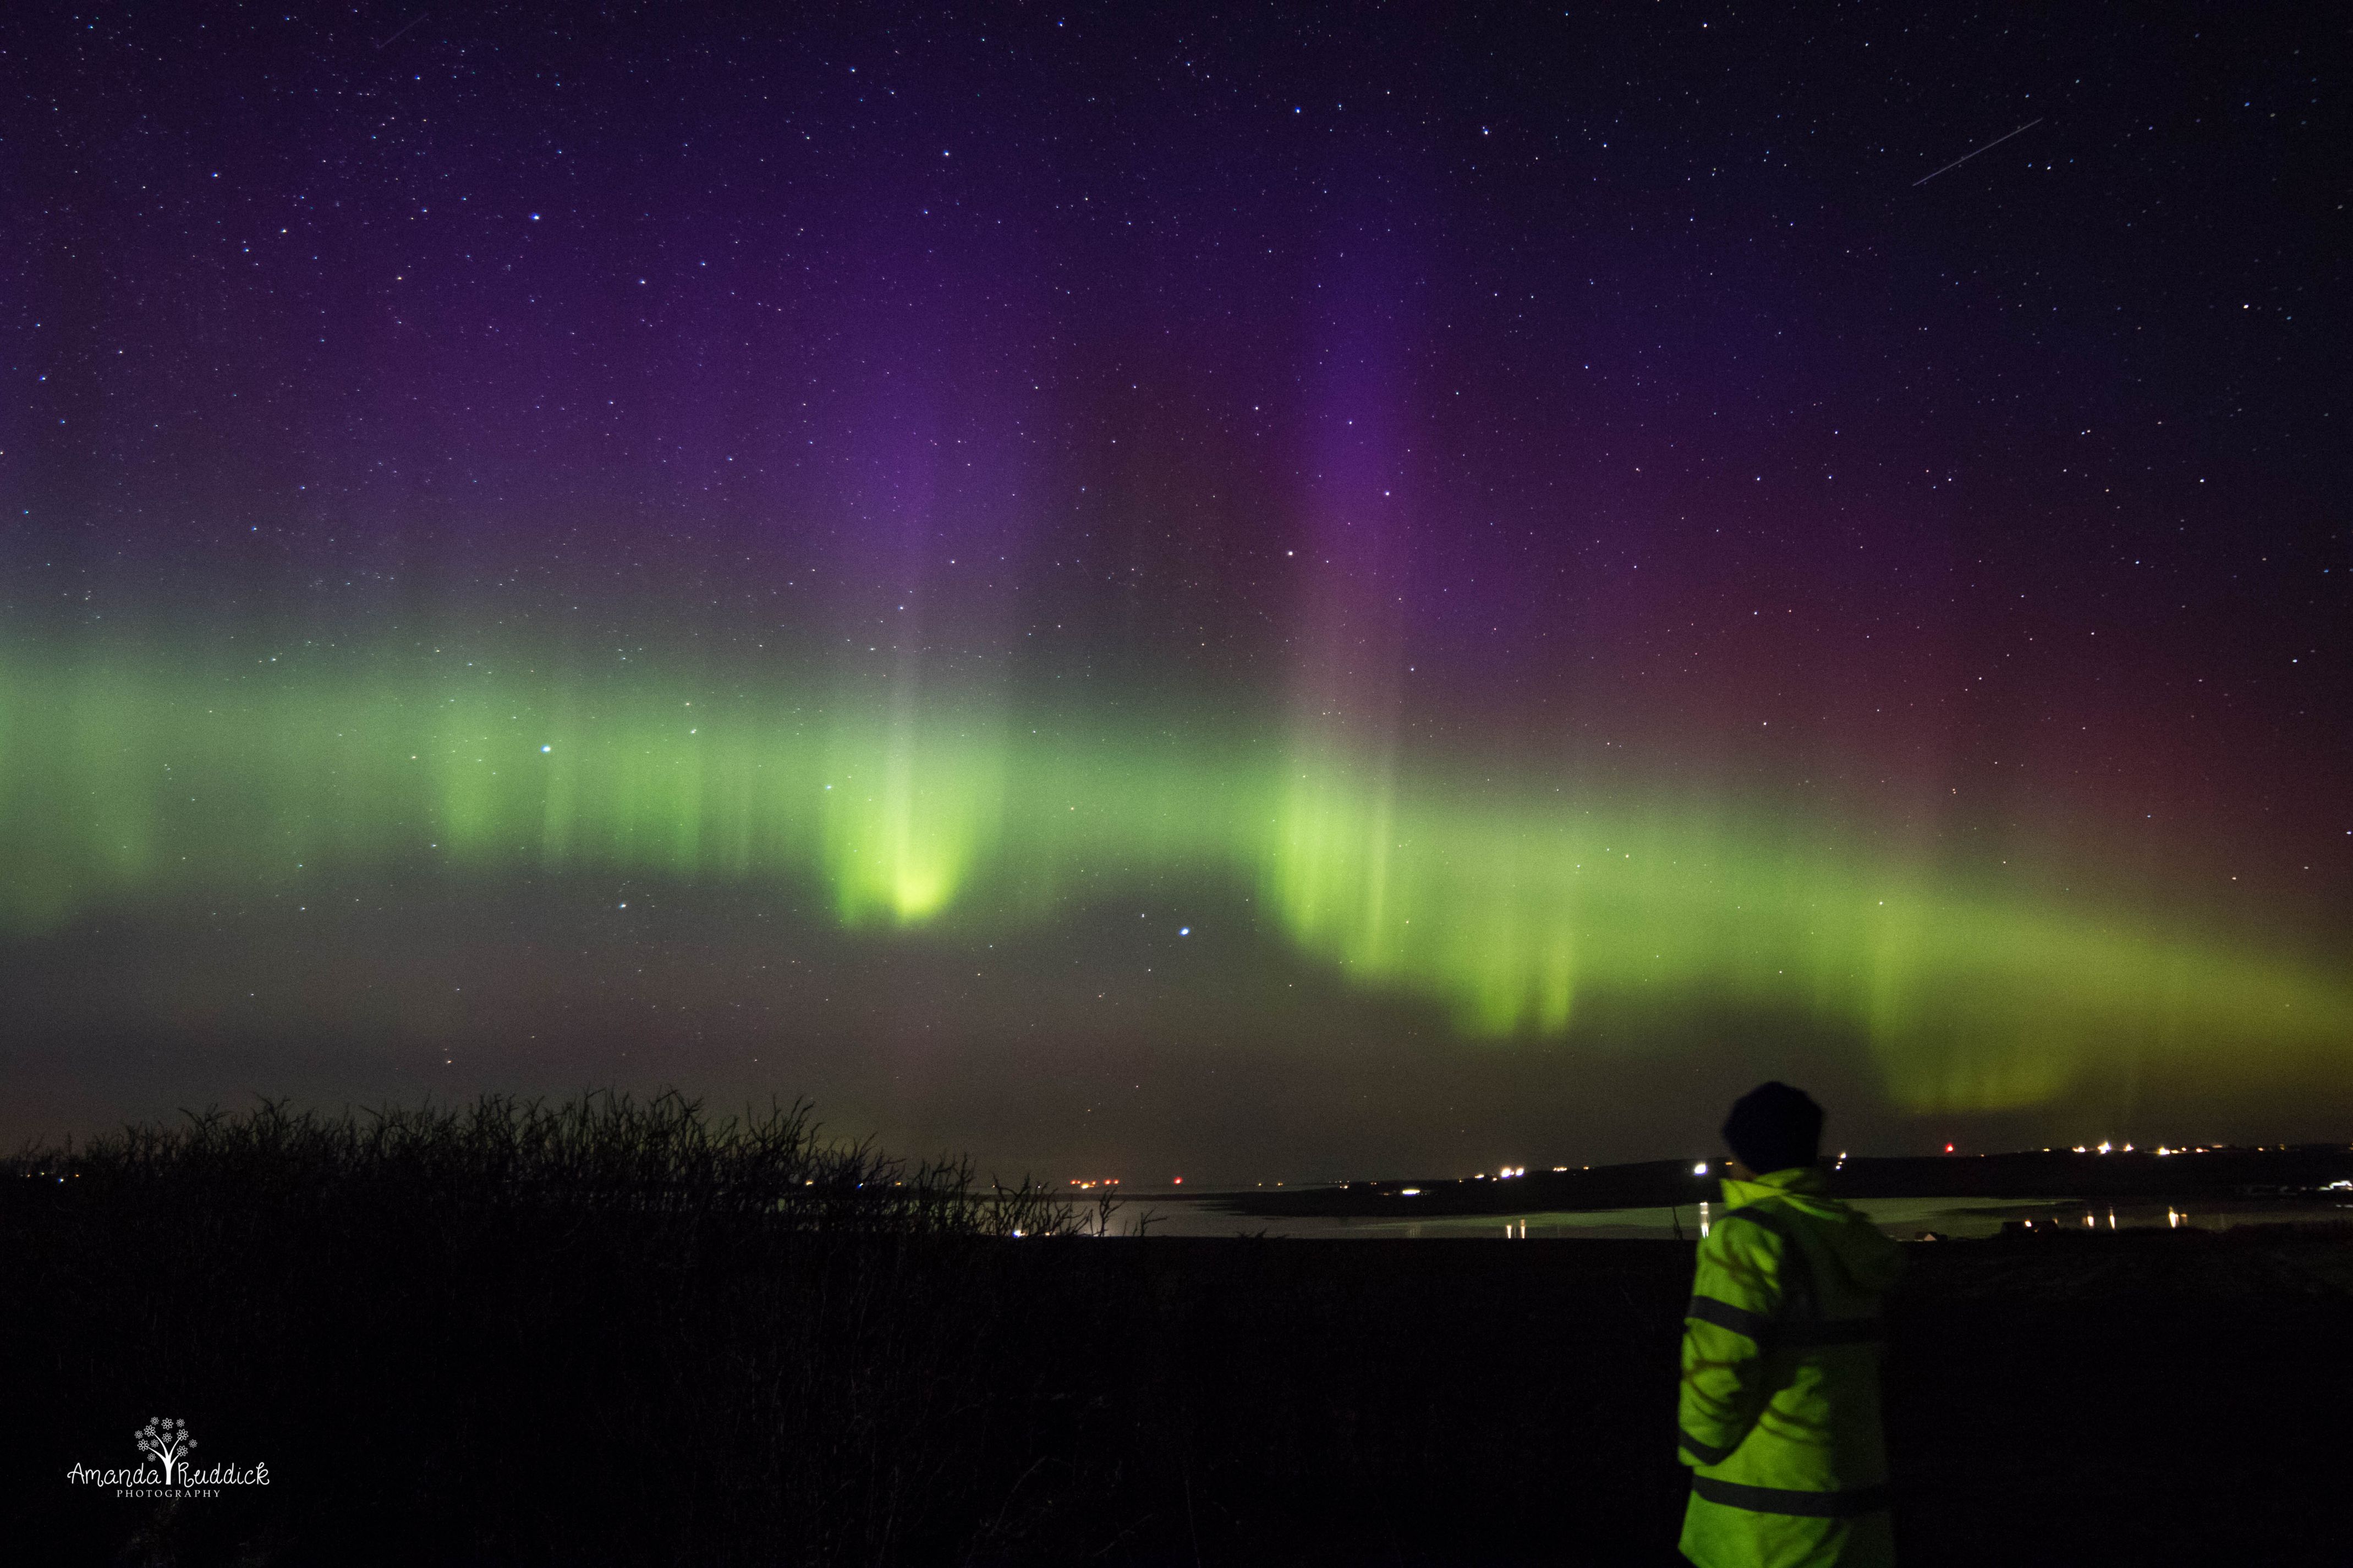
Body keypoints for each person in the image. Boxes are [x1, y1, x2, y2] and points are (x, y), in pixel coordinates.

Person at [1677, 1082, 1903, 1567]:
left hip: (1762, 1527)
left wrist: (1697, 1447)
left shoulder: (1746, 1237)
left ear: (1744, 1154)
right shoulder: (1846, 1236)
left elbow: (1718, 1368)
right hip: (1853, 1517)